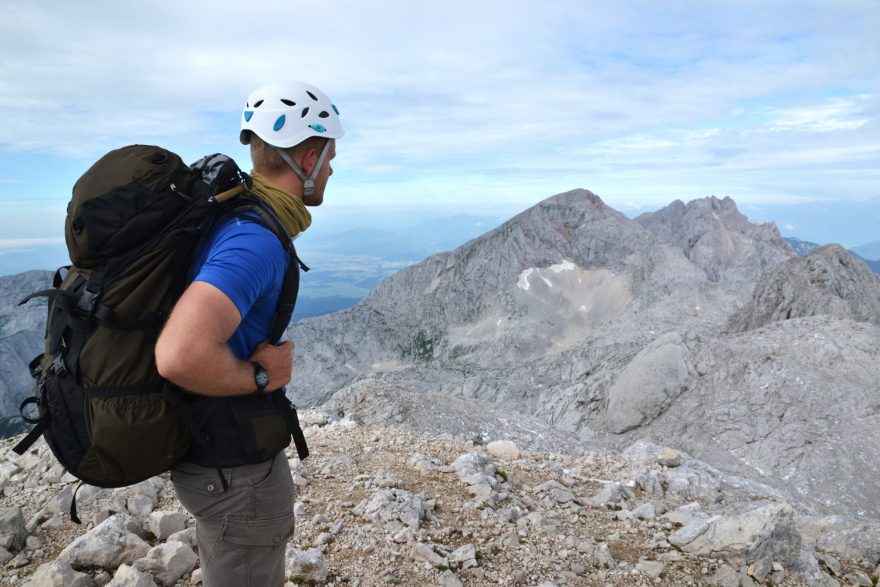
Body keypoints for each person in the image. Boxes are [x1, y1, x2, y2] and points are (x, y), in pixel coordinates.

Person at [155, 81, 343, 586]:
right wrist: (262, 376)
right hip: (231, 468)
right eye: (328, 156)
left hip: (216, 458)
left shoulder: (236, 215)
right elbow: (178, 354)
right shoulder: (254, 240)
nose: (331, 167)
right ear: (307, 155)